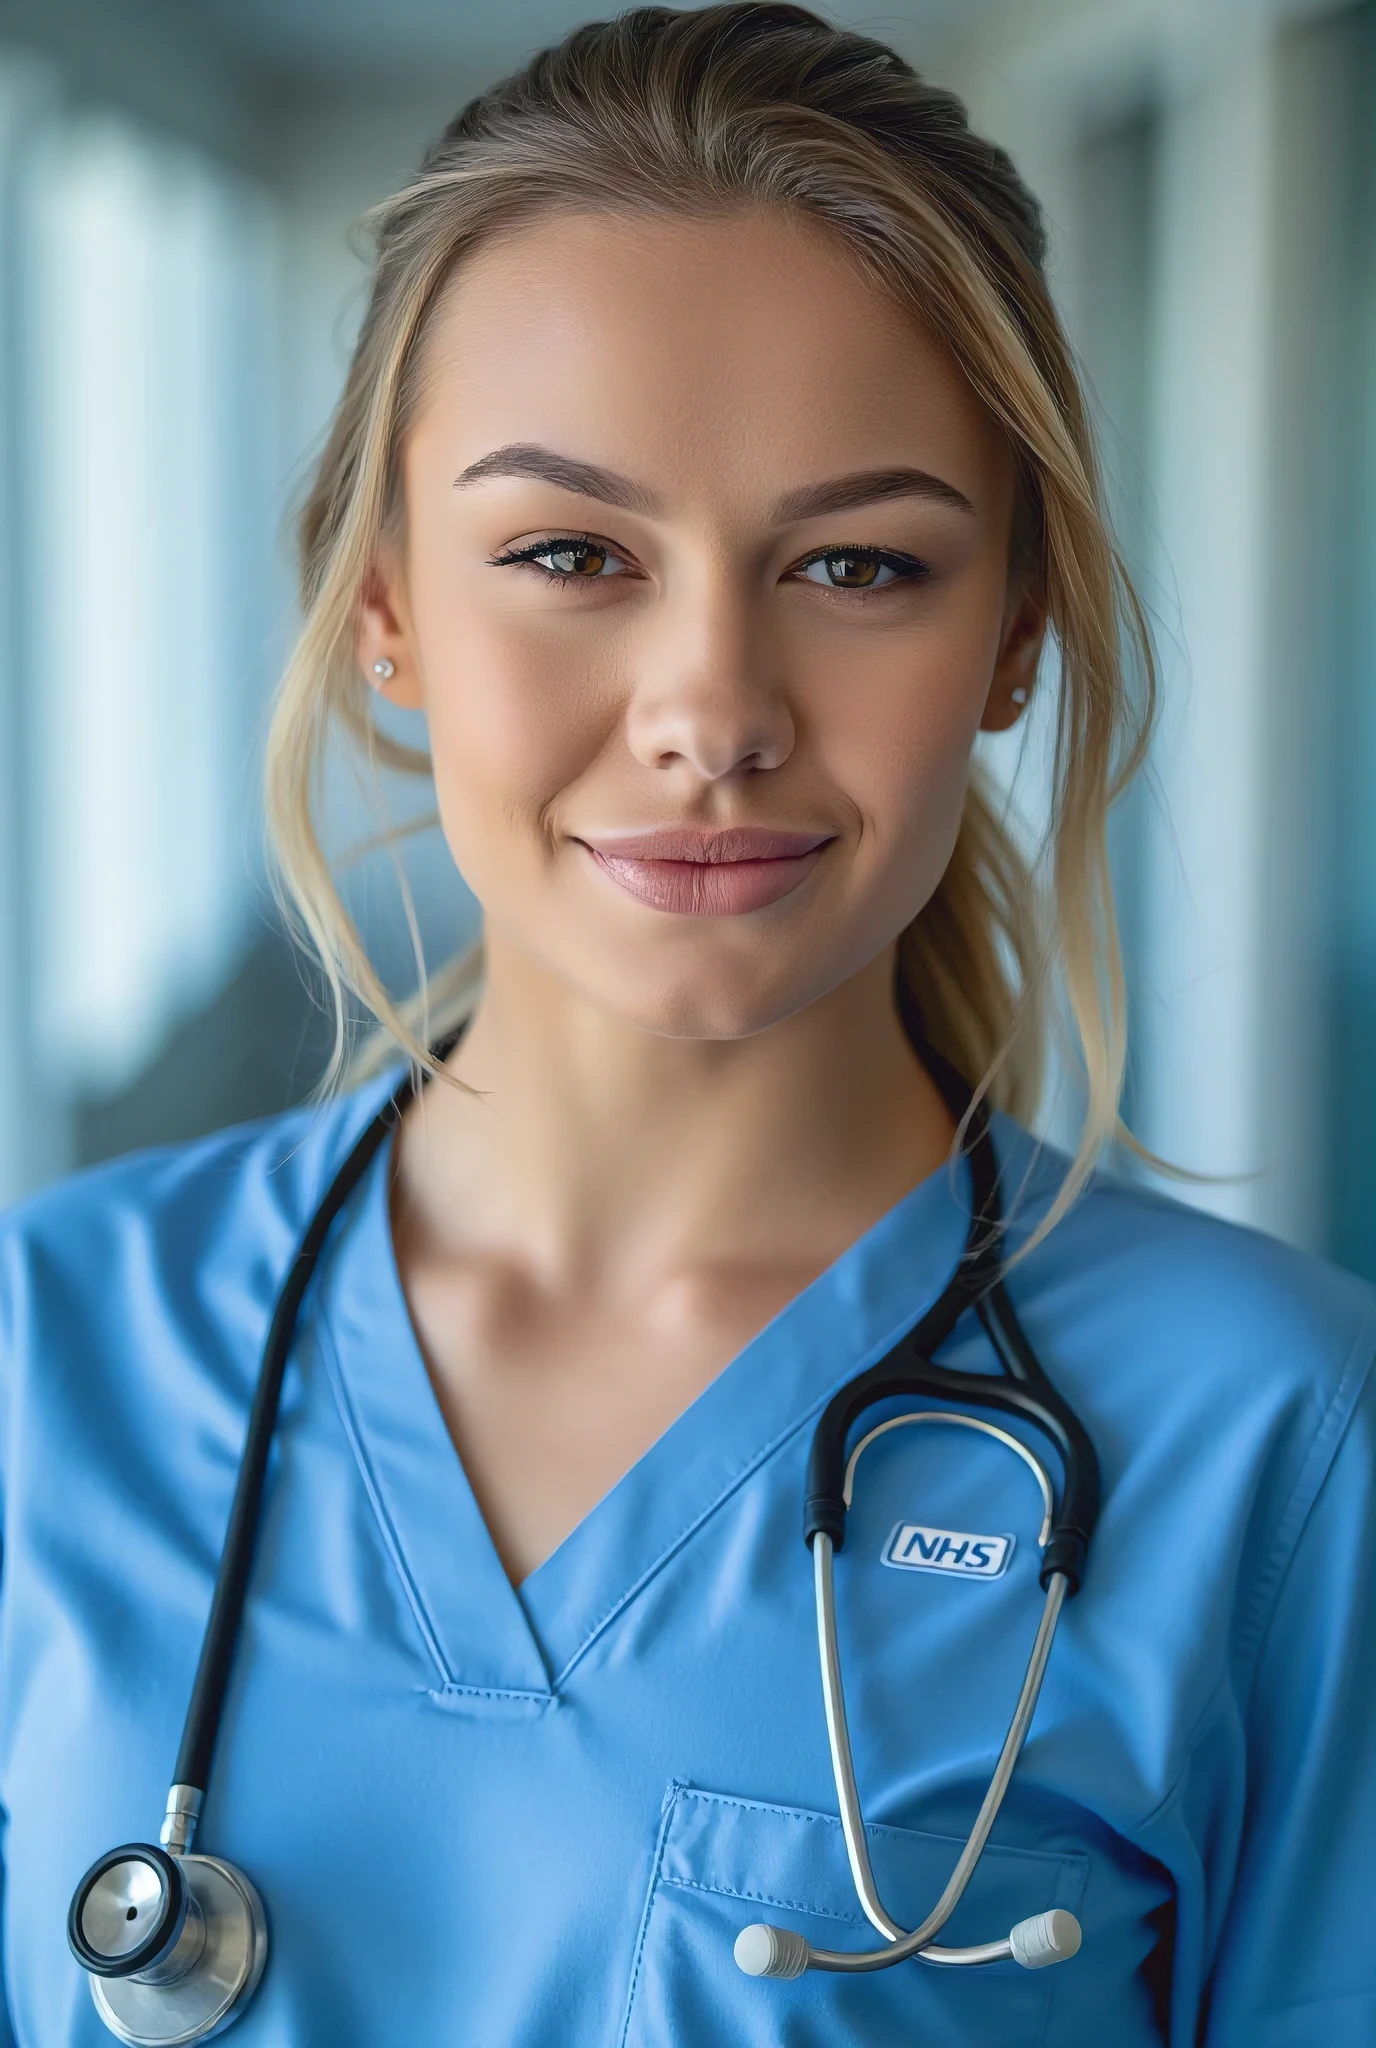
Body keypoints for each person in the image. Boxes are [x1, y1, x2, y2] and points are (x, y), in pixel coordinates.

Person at [3, 5, 1373, 2042]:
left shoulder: (1277, 1441)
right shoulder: (51, 1363)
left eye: (858, 563)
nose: (712, 711)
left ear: (1013, 633)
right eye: (570, 553)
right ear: (385, 608)